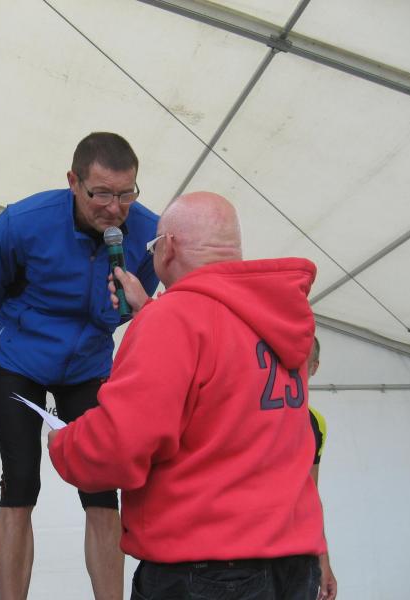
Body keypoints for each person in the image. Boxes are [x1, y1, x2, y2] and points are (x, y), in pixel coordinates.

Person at [48, 191, 326, 599]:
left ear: (169, 246)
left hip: (206, 568)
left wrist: (65, 444)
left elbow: (120, 446)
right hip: (294, 565)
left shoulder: (175, 319)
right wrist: (151, 312)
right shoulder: (281, 316)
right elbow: (227, 389)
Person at [0, 132, 159, 600]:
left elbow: (141, 298)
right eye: (101, 194)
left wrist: (106, 323)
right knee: (20, 483)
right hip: (20, 362)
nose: (115, 208)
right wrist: (24, 329)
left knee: (103, 492)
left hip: (90, 367)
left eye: (126, 194)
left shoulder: (150, 231)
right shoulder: (23, 222)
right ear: (73, 181)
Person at [308, 336, 338, 600]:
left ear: (314, 367)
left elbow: (311, 493)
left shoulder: (315, 421)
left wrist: (323, 560)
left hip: (297, 556)